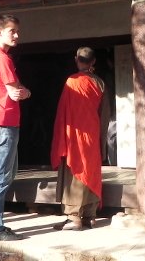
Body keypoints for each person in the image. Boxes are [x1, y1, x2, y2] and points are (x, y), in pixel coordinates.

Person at [0, 14, 31, 241]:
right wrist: (26, 92)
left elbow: (15, 88)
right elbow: (16, 91)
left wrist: (21, 90)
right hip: (4, 123)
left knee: (3, 175)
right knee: (2, 177)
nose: (17, 35)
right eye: (12, 31)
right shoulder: (2, 58)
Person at [50, 47, 105, 231]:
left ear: (76, 59)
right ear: (93, 61)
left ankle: (73, 217)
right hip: (92, 133)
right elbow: (104, 113)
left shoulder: (72, 81)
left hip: (75, 134)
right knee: (90, 170)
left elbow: (63, 111)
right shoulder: (100, 83)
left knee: (74, 172)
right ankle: (90, 216)